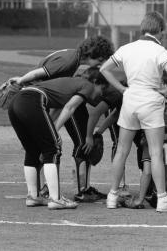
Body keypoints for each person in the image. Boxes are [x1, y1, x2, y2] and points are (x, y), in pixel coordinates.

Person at [9, 36, 113, 201]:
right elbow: (41, 74)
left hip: (41, 99)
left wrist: (50, 127)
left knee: (44, 145)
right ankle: (77, 191)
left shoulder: (74, 60)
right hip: (37, 98)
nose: (100, 65)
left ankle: (42, 191)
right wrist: (21, 80)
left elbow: (58, 99)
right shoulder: (70, 60)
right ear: (92, 54)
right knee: (73, 144)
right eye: (100, 60)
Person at [99, 11, 167, 212]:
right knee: (155, 152)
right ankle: (162, 199)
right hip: (151, 102)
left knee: (121, 150)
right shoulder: (160, 50)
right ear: (160, 30)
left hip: (130, 100)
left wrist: (121, 89)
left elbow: (104, 69)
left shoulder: (127, 48)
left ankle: (112, 195)